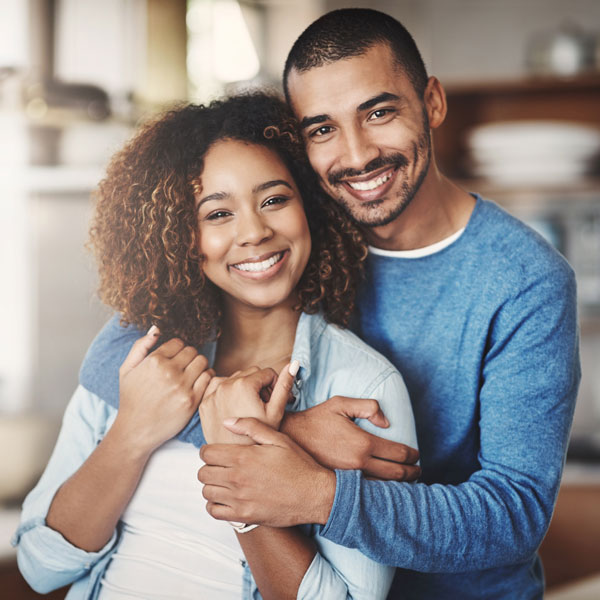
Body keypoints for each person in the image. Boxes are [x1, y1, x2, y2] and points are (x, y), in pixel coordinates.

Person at [51, 7, 578, 599]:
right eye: (322, 129)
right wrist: (293, 435)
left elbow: (513, 515)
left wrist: (317, 491)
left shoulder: (524, 279)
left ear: (431, 102)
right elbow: (123, 372)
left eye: (379, 112)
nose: (356, 156)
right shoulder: (292, 247)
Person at [13, 93, 418, 600]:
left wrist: (239, 462)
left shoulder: (362, 388)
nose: (253, 231)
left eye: (274, 200)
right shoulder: (140, 354)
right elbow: (40, 566)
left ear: (311, 206)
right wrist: (132, 433)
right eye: (217, 213)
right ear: (181, 237)